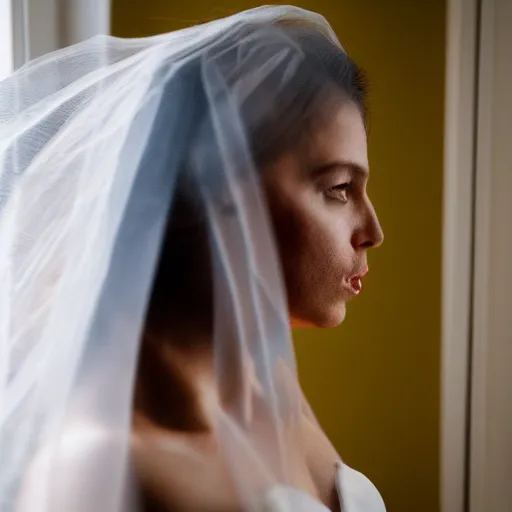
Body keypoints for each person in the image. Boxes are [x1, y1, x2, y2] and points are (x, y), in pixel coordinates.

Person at [0, 5, 384, 512]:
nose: (373, 232)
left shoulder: (269, 386)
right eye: (338, 189)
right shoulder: (95, 464)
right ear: (217, 190)